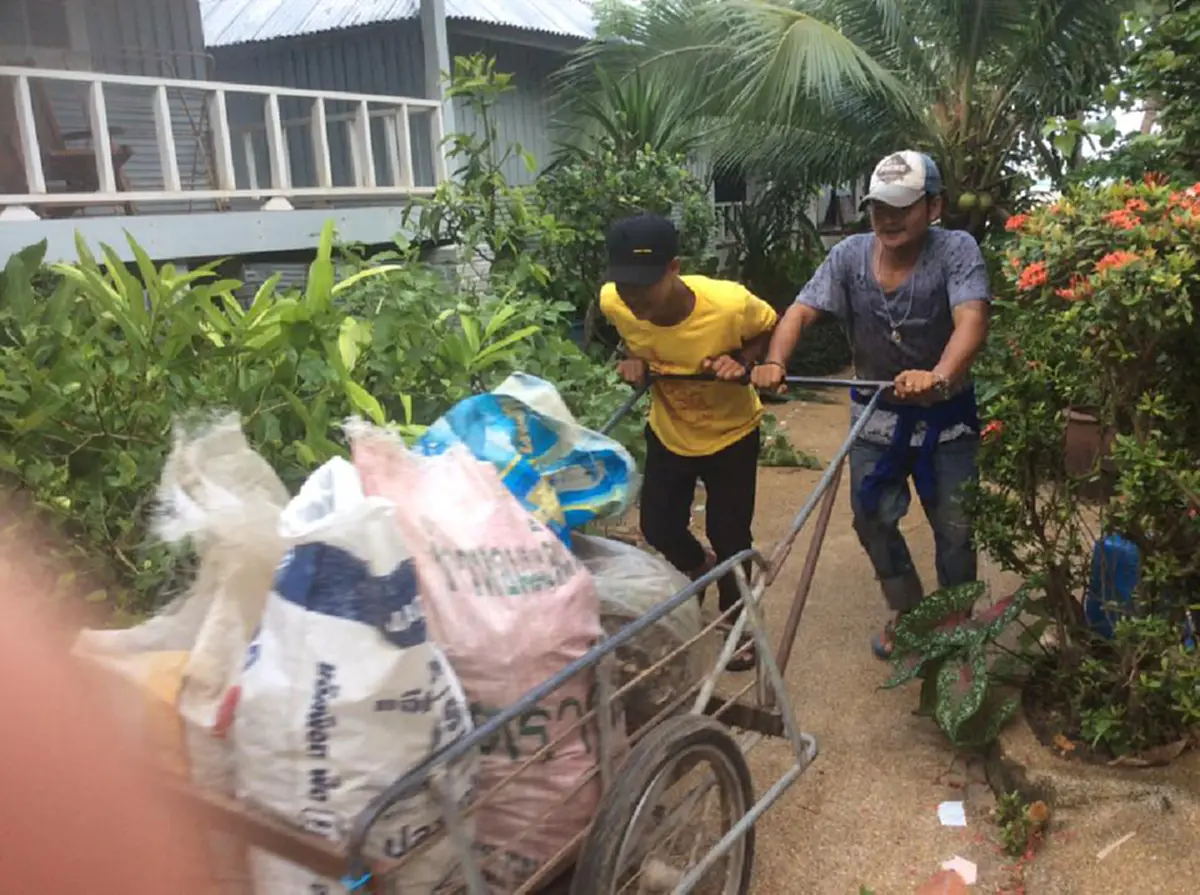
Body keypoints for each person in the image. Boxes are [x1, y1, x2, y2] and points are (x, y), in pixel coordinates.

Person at [752, 151, 991, 659]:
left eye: (902, 206)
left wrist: (939, 375)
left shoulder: (956, 250)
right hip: (876, 413)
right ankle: (908, 609)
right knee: (871, 516)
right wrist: (775, 361)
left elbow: (971, 320)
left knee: (955, 525)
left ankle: (954, 621)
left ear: (934, 206)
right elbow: (799, 311)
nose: (888, 218)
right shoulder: (849, 256)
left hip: (947, 418)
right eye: (879, 205)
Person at [600, 212, 778, 671]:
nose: (633, 298)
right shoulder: (614, 304)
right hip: (670, 430)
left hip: (731, 435)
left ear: (674, 267)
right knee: (658, 526)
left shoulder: (729, 305)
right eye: (625, 286)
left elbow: (767, 327)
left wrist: (743, 360)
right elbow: (633, 340)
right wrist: (632, 359)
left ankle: (737, 621)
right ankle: (700, 564)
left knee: (730, 532)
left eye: (644, 285)